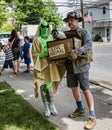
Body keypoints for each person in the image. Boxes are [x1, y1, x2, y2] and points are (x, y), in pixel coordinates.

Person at [63, 11, 96, 130]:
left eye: (72, 20)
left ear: (77, 21)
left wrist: (77, 52)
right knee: (74, 89)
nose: (70, 22)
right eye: (68, 20)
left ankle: (92, 116)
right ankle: (80, 109)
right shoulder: (66, 34)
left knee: (86, 90)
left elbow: (88, 45)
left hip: (82, 67)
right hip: (70, 67)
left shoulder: (84, 32)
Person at [31, 20, 66, 117]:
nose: (45, 29)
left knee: (49, 87)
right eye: (43, 27)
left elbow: (61, 43)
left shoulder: (51, 37)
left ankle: (52, 105)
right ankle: (46, 107)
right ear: (40, 28)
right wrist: (45, 54)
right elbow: (34, 54)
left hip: (51, 67)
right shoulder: (36, 40)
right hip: (41, 67)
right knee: (43, 87)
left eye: (47, 27)